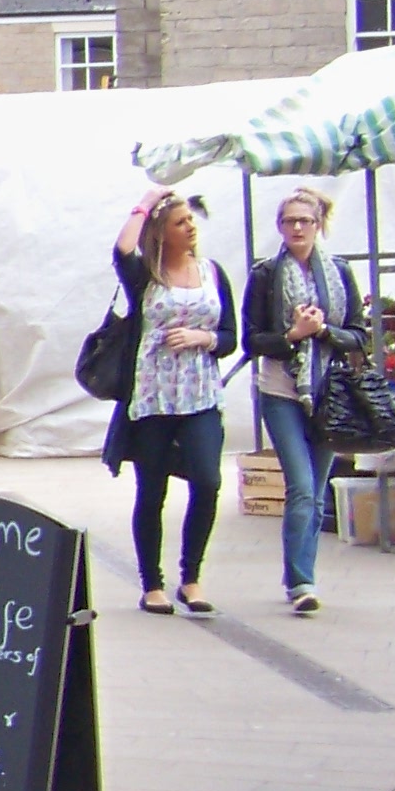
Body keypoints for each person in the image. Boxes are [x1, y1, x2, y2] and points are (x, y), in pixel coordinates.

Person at [95, 189, 236, 617]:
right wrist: (145, 202)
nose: (190, 227)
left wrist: (203, 338)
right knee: (151, 489)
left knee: (208, 481)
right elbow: (121, 249)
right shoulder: (145, 275)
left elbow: (230, 336)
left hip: (200, 396)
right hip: (154, 399)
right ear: (161, 232)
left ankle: (190, 577)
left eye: (191, 220)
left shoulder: (212, 271)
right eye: (180, 222)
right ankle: (151, 584)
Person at [244, 188, 371, 617]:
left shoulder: (338, 271)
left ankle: (301, 574)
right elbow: (252, 339)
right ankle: (301, 581)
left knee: (316, 493)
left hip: (330, 392)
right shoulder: (265, 274)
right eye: (289, 221)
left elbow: (359, 333)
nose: (297, 228)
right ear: (279, 227)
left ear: (319, 225)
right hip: (282, 390)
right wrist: (293, 336)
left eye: (305, 221)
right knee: (301, 487)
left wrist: (323, 333)